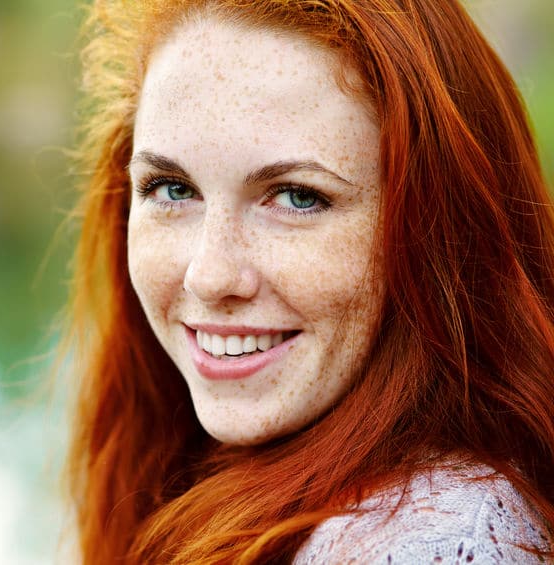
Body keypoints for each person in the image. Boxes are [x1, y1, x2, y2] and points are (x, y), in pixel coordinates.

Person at [59, 0, 554, 562]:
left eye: (298, 196)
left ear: (444, 229)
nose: (209, 275)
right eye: (172, 188)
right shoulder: (168, 460)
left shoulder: (440, 541)